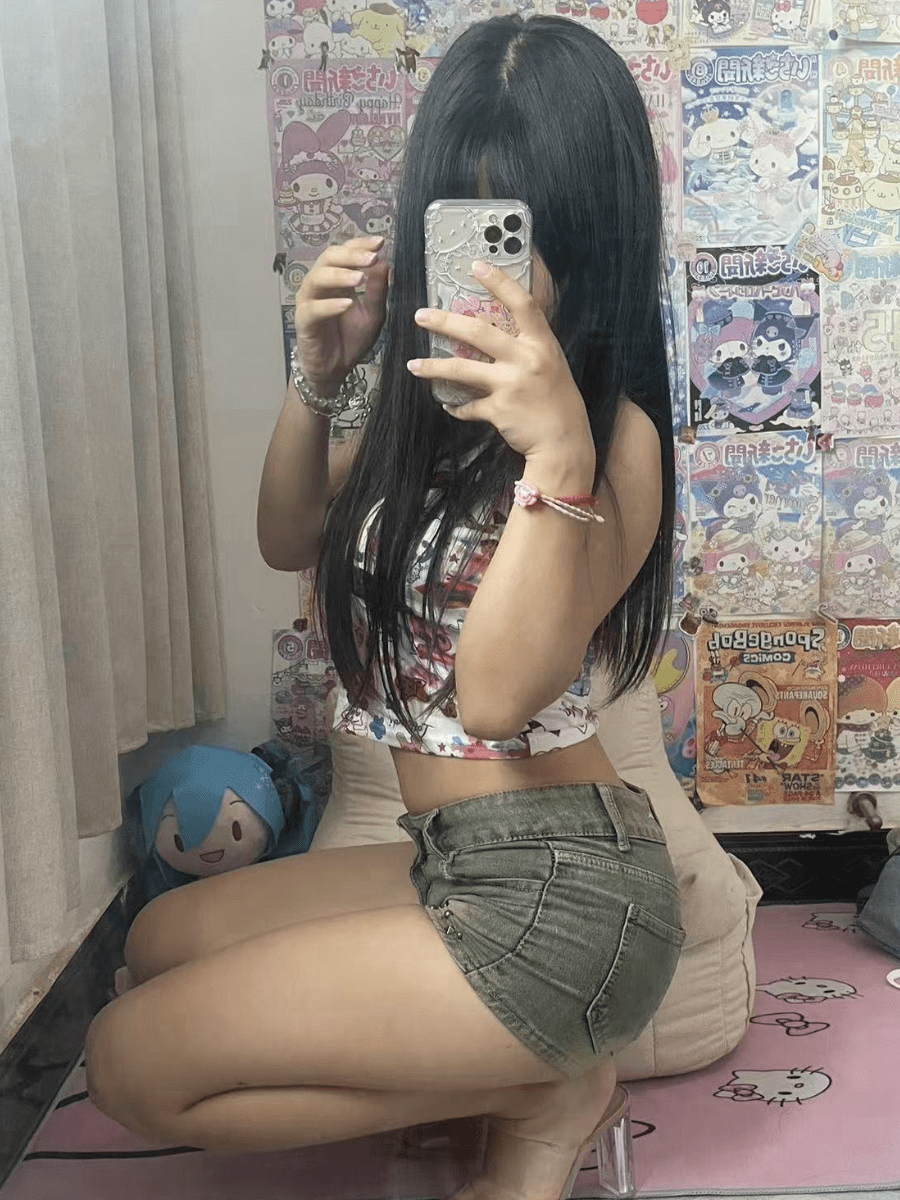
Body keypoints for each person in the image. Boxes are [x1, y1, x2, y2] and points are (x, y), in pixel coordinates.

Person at [84, 15, 685, 1199]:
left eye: (525, 228)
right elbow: (287, 537)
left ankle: (541, 1090)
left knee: (127, 1068)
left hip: (568, 894)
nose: (492, 268)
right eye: (462, 221)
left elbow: (496, 697)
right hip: (453, 856)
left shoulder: (612, 441)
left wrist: (555, 449)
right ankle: (528, 1080)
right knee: (153, 944)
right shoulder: (431, 422)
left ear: (589, 240)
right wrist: (318, 371)